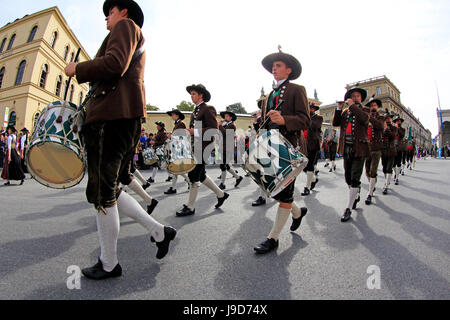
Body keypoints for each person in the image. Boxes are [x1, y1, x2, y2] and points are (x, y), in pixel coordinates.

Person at [64, 0, 176, 280]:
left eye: (109, 13)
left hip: (112, 119)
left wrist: (78, 68)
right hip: (120, 118)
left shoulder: (126, 26)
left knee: (103, 193)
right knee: (111, 189)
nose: (105, 19)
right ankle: (159, 232)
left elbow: (114, 64)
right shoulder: (129, 30)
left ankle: (109, 263)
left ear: (123, 11)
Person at [253, 49, 310, 254]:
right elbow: (267, 121)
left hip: (290, 148)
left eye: (278, 66)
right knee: (277, 190)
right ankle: (297, 212)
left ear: (288, 70)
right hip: (271, 147)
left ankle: (273, 238)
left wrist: (285, 120)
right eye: (273, 67)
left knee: (284, 192)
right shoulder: (269, 95)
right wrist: (261, 131)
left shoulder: (297, 89)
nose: (274, 69)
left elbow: (305, 120)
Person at [176, 84, 230, 217]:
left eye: (194, 93)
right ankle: (221, 194)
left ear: (201, 95)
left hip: (204, 148)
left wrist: (193, 131)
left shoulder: (207, 108)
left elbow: (213, 129)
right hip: (196, 146)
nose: (191, 96)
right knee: (201, 175)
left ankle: (190, 207)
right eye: (191, 94)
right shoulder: (196, 110)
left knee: (193, 176)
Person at [333, 86, 370, 222]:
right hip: (346, 147)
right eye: (353, 96)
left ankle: (348, 208)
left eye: (357, 96)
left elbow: (364, 119)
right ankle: (355, 192)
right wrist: (338, 108)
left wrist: (353, 106)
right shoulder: (345, 112)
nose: (355, 98)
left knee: (355, 177)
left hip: (359, 148)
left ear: (360, 98)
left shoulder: (364, 110)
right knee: (348, 177)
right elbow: (336, 123)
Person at [363, 98, 384, 205]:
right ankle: (372, 184)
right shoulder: (365, 118)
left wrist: (369, 117)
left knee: (372, 171)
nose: (373, 107)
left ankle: (370, 194)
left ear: (378, 107)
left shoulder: (381, 117)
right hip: (367, 147)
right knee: (367, 171)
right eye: (371, 106)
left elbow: (379, 126)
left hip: (376, 148)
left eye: (375, 105)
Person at [164, 109, 190, 195]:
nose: (172, 116)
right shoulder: (178, 124)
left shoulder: (181, 124)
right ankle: (174, 187)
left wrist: (171, 136)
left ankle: (189, 182)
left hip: (179, 148)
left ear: (177, 115)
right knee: (175, 169)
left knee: (176, 169)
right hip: (177, 148)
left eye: (173, 114)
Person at [218, 110, 243, 190]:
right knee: (226, 165)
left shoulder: (232, 126)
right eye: (225, 116)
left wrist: (220, 126)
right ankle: (238, 177)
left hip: (227, 148)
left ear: (231, 118)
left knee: (223, 165)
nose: (225, 117)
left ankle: (222, 184)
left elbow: (225, 134)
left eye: (227, 116)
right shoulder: (225, 125)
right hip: (222, 147)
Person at [301, 102, 323, 196]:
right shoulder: (304, 117)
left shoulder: (318, 118)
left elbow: (315, 126)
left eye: (312, 108)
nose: (310, 109)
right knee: (302, 165)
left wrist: (306, 118)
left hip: (313, 144)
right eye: (309, 108)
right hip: (303, 144)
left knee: (310, 165)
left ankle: (307, 187)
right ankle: (313, 179)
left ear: (315, 109)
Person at [381, 112, 397, 195]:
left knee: (388, 168)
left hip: (391, 151)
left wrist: (386, 128)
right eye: (386, 118)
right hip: (383, 151)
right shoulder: (381, 127)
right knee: (384, 168)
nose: (388, 119)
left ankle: (386, 186)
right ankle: (387, 181)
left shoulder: (394, 128)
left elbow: (392, 136)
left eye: (389, 118)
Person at [392, 115, 406, 185]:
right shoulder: (392, 129)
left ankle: (397, 178)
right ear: (395, 122)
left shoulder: (402, 129)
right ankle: (395, 173)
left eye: (399, 121)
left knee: (398, 163)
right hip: (393, 148)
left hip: (399, 148)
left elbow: (402, 135)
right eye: (397, 121)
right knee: (393, 165)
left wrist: (398, 128)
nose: (398, 122)